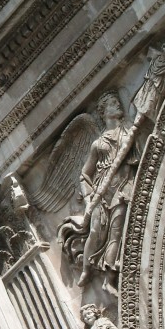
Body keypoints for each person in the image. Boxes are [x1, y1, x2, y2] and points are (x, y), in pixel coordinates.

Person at [63, 92, 139, 293]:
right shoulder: (98, 144)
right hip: (101, 191)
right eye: (113, 103)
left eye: (117, 101)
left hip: (124, 186)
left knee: (116, 232)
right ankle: (87, 269)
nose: (117, 105)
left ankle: (110, 276)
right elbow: (84, 174)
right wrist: (89, 200)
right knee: (96, 231)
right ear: (104, 112)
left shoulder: (128, 130)